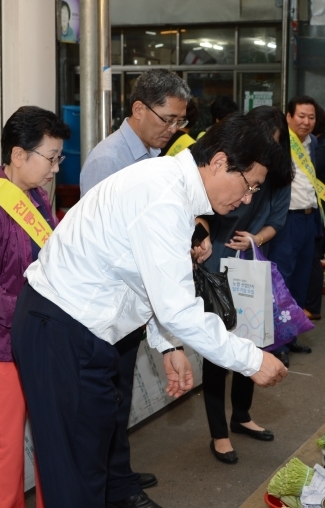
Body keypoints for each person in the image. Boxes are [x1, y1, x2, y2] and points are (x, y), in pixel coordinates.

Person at [11, 114, 289, 508]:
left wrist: (166, 344)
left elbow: (147, 280)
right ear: (221, 162)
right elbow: (176, 306)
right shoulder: (164, 195)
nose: (247, 200)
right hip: (61, 329)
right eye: (250, 187)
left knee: (90, 463)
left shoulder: (170, 188)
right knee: (73, 475)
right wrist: (249, 359)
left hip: (84, 330)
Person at [78, 69, 194, 508]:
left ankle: (119, 472)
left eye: (180, 122)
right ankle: (115, 487)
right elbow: (105, 245)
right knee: (108, 398)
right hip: (109, 304)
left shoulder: (152, 156)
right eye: (168, 119)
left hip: (133, 303)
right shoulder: (109, 160)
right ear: (138, 109)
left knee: (120, 395)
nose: (173, 130)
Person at [0, 106, 71, 508]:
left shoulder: (37, 197)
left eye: (59, 159)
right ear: (19, 155)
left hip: (36, 334)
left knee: (47, 433)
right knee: (7, 439)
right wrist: (24, 316)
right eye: (51, 158)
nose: (55, 168)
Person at [200, 105, 293, 464]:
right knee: (217, 345)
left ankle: (241, 416)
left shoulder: (281, 174)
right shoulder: (227, 166)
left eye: (272, 142)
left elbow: (278, 221)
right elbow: (201, 211)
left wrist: (255, 237)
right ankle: (218, 433)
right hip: (214, 264)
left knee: (250, 337)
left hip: (250, 265)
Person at [267, 95, 325, 358]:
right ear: (289, 117)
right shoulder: (279, 141)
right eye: (301, 116)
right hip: (286, 220)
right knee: (282, 279)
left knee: (301, 281)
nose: (306, 122)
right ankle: (276, 344)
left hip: (309, 218)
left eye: (311, 117)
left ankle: (291, 336)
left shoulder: (314, 143)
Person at [304, 103, 325, 321]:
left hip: (318, 208)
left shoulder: (319, 146)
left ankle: (313, 307)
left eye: (310, 117)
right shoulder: (315, 144)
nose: (305, 122)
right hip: (317, 207)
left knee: (313, 258)